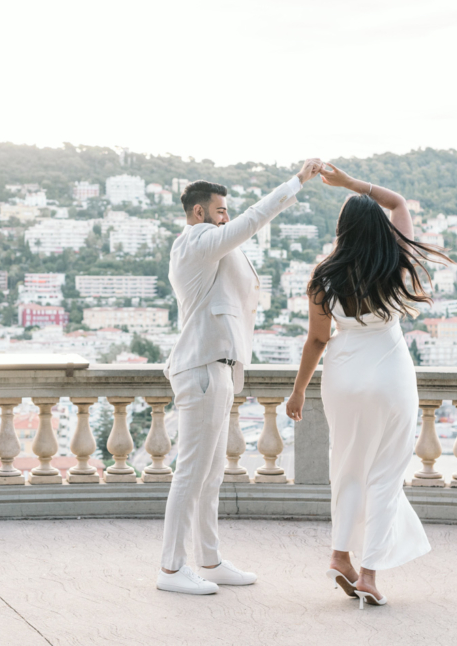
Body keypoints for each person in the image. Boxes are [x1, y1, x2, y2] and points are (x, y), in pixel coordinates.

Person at [157, 158, 323, 596]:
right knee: (190, 472)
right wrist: (296, 183)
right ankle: (171, 569)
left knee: (210, 474)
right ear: (198, 213)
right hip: (203, 369)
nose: (225, 216)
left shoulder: (208, 245)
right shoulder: (197, 242)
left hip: (219, 367)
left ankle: (208, 560)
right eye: (219, 210)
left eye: (225, 211)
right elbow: (253, 220)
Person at [285, 162, 448, 608]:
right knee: (386, 474)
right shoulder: (393, 261)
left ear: (341, 230)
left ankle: (340, 554)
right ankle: (370, 574)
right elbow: (396, 201)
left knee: (347, 466)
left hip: (342, 375)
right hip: (389, 374)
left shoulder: (323, 275)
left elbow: (318, 338)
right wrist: (351, 184)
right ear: (376, 225)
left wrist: (298, 390)